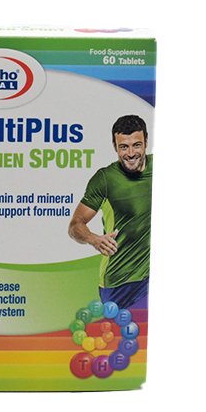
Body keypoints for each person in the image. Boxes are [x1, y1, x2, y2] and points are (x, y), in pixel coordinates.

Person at [68, 114, 152, 309]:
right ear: (115, 147)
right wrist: (93, 239)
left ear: (146, 142)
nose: (131, 153)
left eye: (137, 145)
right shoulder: (105, 179)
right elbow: (75, 225)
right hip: (119, 282)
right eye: (124, 147)